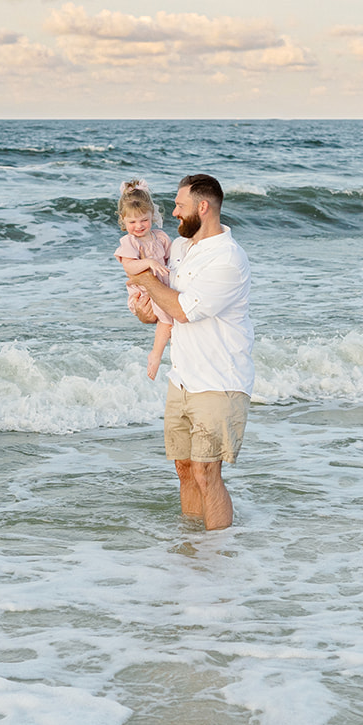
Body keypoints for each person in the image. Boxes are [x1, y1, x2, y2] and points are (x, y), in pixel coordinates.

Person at [127, 174, 253, 531]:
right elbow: (165, 310)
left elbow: (184, 309)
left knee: (206, 471)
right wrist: (144, 309)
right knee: (184, 468)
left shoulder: (229, 259)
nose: (174, 212)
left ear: (203, 207)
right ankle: (193, 550)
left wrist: (142, 278)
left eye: (180, 206)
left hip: (219, 381)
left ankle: (218, 556)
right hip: (182, 378)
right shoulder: (180, 249)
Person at [114, 179, 174, 380]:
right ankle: (155, 355)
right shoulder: (129, 242)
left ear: (153, 216)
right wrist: (148, 262)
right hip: (143, 293)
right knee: (167, 319)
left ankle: (175, 352)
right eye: (132, 222)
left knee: (174, 318)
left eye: (144, 220)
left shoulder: (161, 237)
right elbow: (128, 266)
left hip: (162, 287)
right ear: (123, 220)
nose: (138, 226)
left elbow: (174, 260)